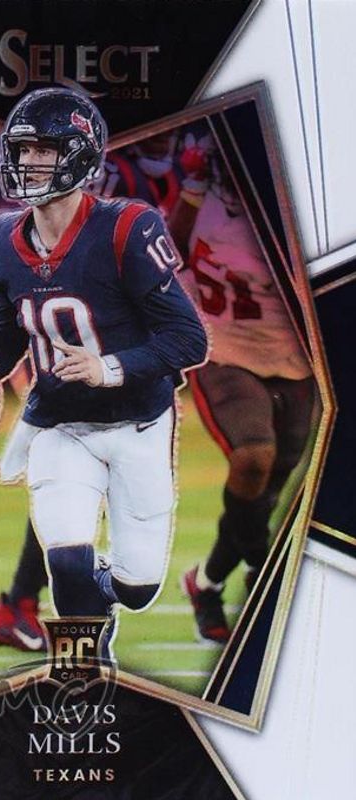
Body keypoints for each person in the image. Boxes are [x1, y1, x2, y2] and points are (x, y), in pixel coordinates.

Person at [0, 87, 207, 659]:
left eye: (44, 150)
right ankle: (84, 671)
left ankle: (109, 592)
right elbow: (6, 326)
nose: (29, 162)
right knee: (66, 557)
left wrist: (110, 368)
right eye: (23, 150)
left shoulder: (126, 227)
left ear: (79, 155)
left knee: (139, 586)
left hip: (139, 422)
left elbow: (188, 338)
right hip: (60, 424)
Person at [169, 144, 314, 643]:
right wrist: (191, 190)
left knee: (265, 494)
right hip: (225, 353)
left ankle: (206, 584)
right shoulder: (201, 206)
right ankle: (264, 567)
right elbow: (165, 252)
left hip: (295, 363)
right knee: (253, 459)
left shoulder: (304, 214)